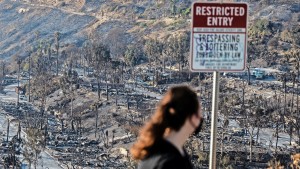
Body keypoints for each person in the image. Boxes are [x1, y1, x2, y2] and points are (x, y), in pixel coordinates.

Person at [130, 86, 203, 169]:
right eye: (198, 114)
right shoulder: (170, 162)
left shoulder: (155, 151)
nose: (200, 119)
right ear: (189, 117)